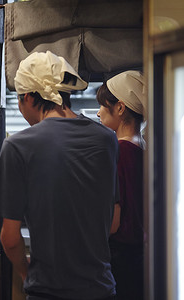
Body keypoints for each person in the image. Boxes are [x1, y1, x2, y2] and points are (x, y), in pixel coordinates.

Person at [0, 51, 119, 300]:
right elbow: (113, 222)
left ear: (27, 97)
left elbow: (9, 238)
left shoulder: (18, 146)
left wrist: (26, 274)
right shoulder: (106, 139)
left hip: (48, 291)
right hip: (101, 288)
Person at [96, 70, 145, 300]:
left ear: (120, 107)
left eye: (103, 105)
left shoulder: (117, 152)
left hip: (118, 258)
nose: (98, 112)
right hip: (141, 257)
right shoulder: (145, 151)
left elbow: (112, 222)